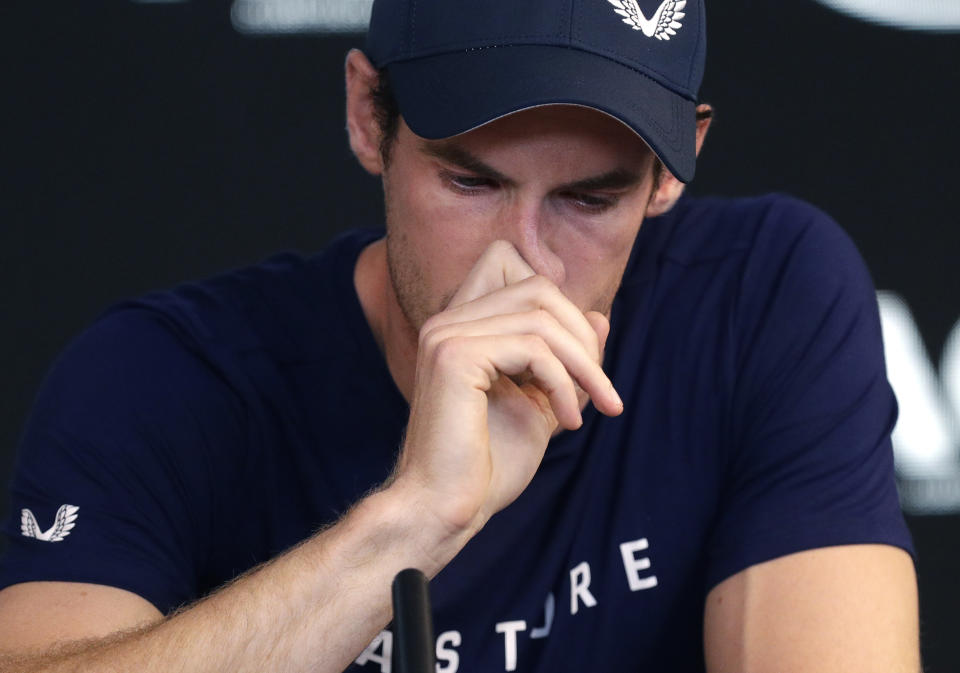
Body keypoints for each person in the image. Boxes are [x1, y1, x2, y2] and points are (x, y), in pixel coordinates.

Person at [0, 0, 920, 671]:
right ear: (369, 115)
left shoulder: (761, 294)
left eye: (590, 199)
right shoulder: (162, 376)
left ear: (673, 173)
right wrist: (416, 517)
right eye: (470, 183)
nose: (525, 264)